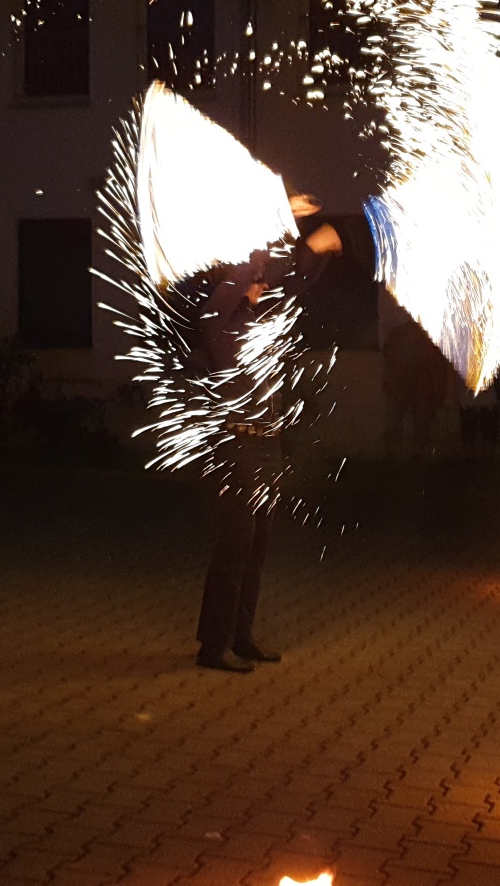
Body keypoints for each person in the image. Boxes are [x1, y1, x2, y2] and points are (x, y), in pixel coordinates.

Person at [192, 192, 343, 673]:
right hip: (235, 440)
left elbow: (290, 280)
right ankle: (212, 647)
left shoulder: (261, 323)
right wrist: (272, 221)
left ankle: (241, 637)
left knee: (258, 543)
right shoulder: (221, 328)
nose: (261, 284)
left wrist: (310, 243)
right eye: (251, 279)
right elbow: (239, 283)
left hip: (267, 441)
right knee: (236, 540)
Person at [380, 318, 449, 461]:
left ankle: (411, 452)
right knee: (400, 419)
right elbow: (389, 357)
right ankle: (396, 451)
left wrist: (440, 388)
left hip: (418, 385)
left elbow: (438, 365)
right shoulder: (403, 334)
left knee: (418, 420)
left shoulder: (426, 336)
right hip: (406, 385)